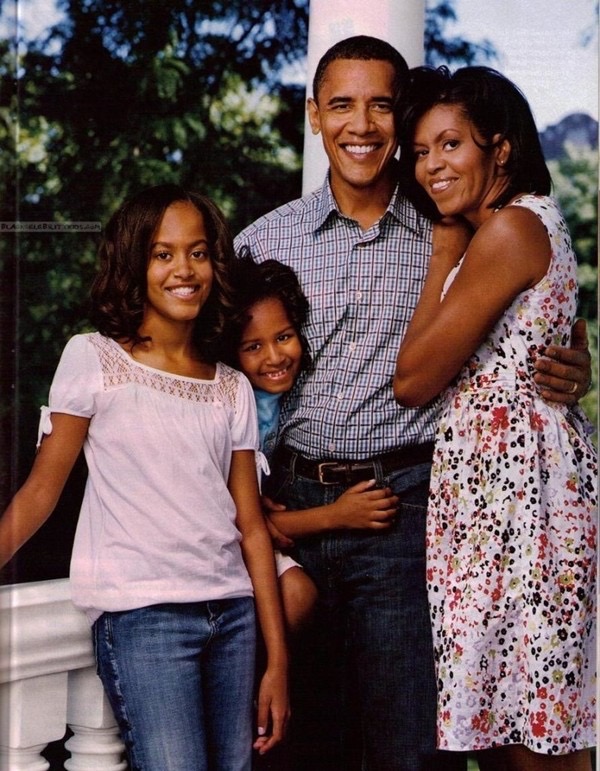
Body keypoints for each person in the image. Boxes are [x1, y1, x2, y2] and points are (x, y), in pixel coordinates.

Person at [234, 36, 592, 771]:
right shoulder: (263, 242)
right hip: (296, 507)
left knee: (418, 748)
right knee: (299, 748)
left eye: (382, 106)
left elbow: (535, 317)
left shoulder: (453, 223)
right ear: (314, 116)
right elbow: (207, 375)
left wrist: (571, 365)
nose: (361, 125)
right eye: (341, 104)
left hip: (411, 508)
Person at [0, 184, 289, 771]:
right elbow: (41, 491)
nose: (184, 269)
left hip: (233, 618)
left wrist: (278, 662)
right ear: (134, 263)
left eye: (198, 252)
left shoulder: (230, 386)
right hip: (145, 620)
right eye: (163, 254)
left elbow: (252, 527)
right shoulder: (94, 359)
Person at [394, 66, 597, 770]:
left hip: (522, 501)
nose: (431, 166)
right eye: (421, 152)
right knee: (527, 720)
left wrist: (442, 255)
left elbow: (414, 380)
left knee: (536, 727)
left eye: (450, 144)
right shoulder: (527, 221)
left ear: (500, 148)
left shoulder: (508, 228)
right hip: (502, 494)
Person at [222, 253, 399, 633]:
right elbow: (252, 523)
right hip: (225, 547)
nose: (274, 357)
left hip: (257, 537)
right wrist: (339, 514)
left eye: (283, 337)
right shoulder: (236, 411)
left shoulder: (275, 403)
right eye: (253, 347)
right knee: (297, 594)